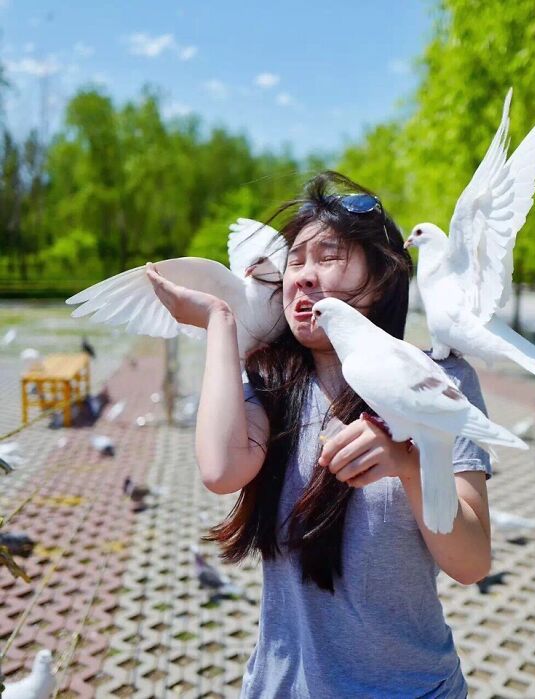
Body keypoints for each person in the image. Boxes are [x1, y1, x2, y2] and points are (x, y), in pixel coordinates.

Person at [146, 171, 493, 698]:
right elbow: (220, 470)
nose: (303, 277)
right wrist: (220, 320)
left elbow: (470, 562)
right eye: (296, 261)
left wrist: (409, 462)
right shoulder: (272, 388)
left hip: (412, 688)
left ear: (381, 280)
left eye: (327, 257)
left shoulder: (442, 380)